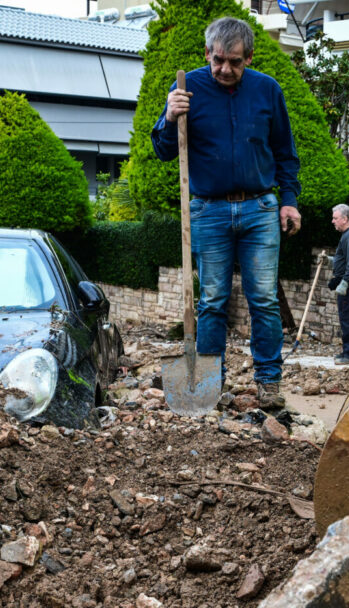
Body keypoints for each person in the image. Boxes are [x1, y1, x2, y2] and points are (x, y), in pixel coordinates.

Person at [150, 17, 301, 410]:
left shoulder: (268, 90)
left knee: (264, 300)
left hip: (259, 208)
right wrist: (169, 117)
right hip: (209, 211)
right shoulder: (187, 89)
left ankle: (268, 382)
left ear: (248, 58)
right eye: (218, 60)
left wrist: (289, 200)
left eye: (235, 62)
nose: (225, 69)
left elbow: (285, 153)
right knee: (213, 299)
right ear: (207, 54)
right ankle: (209, 384)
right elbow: (164, 151)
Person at [327, 204, 349, 364]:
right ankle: (348, 351)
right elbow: (344, 260)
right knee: (346, 318)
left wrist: (345, 282)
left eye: (335, 218)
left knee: (348, 319)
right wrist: (329, 261)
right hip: (347, 284)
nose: (332, 221)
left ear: (345, 218)